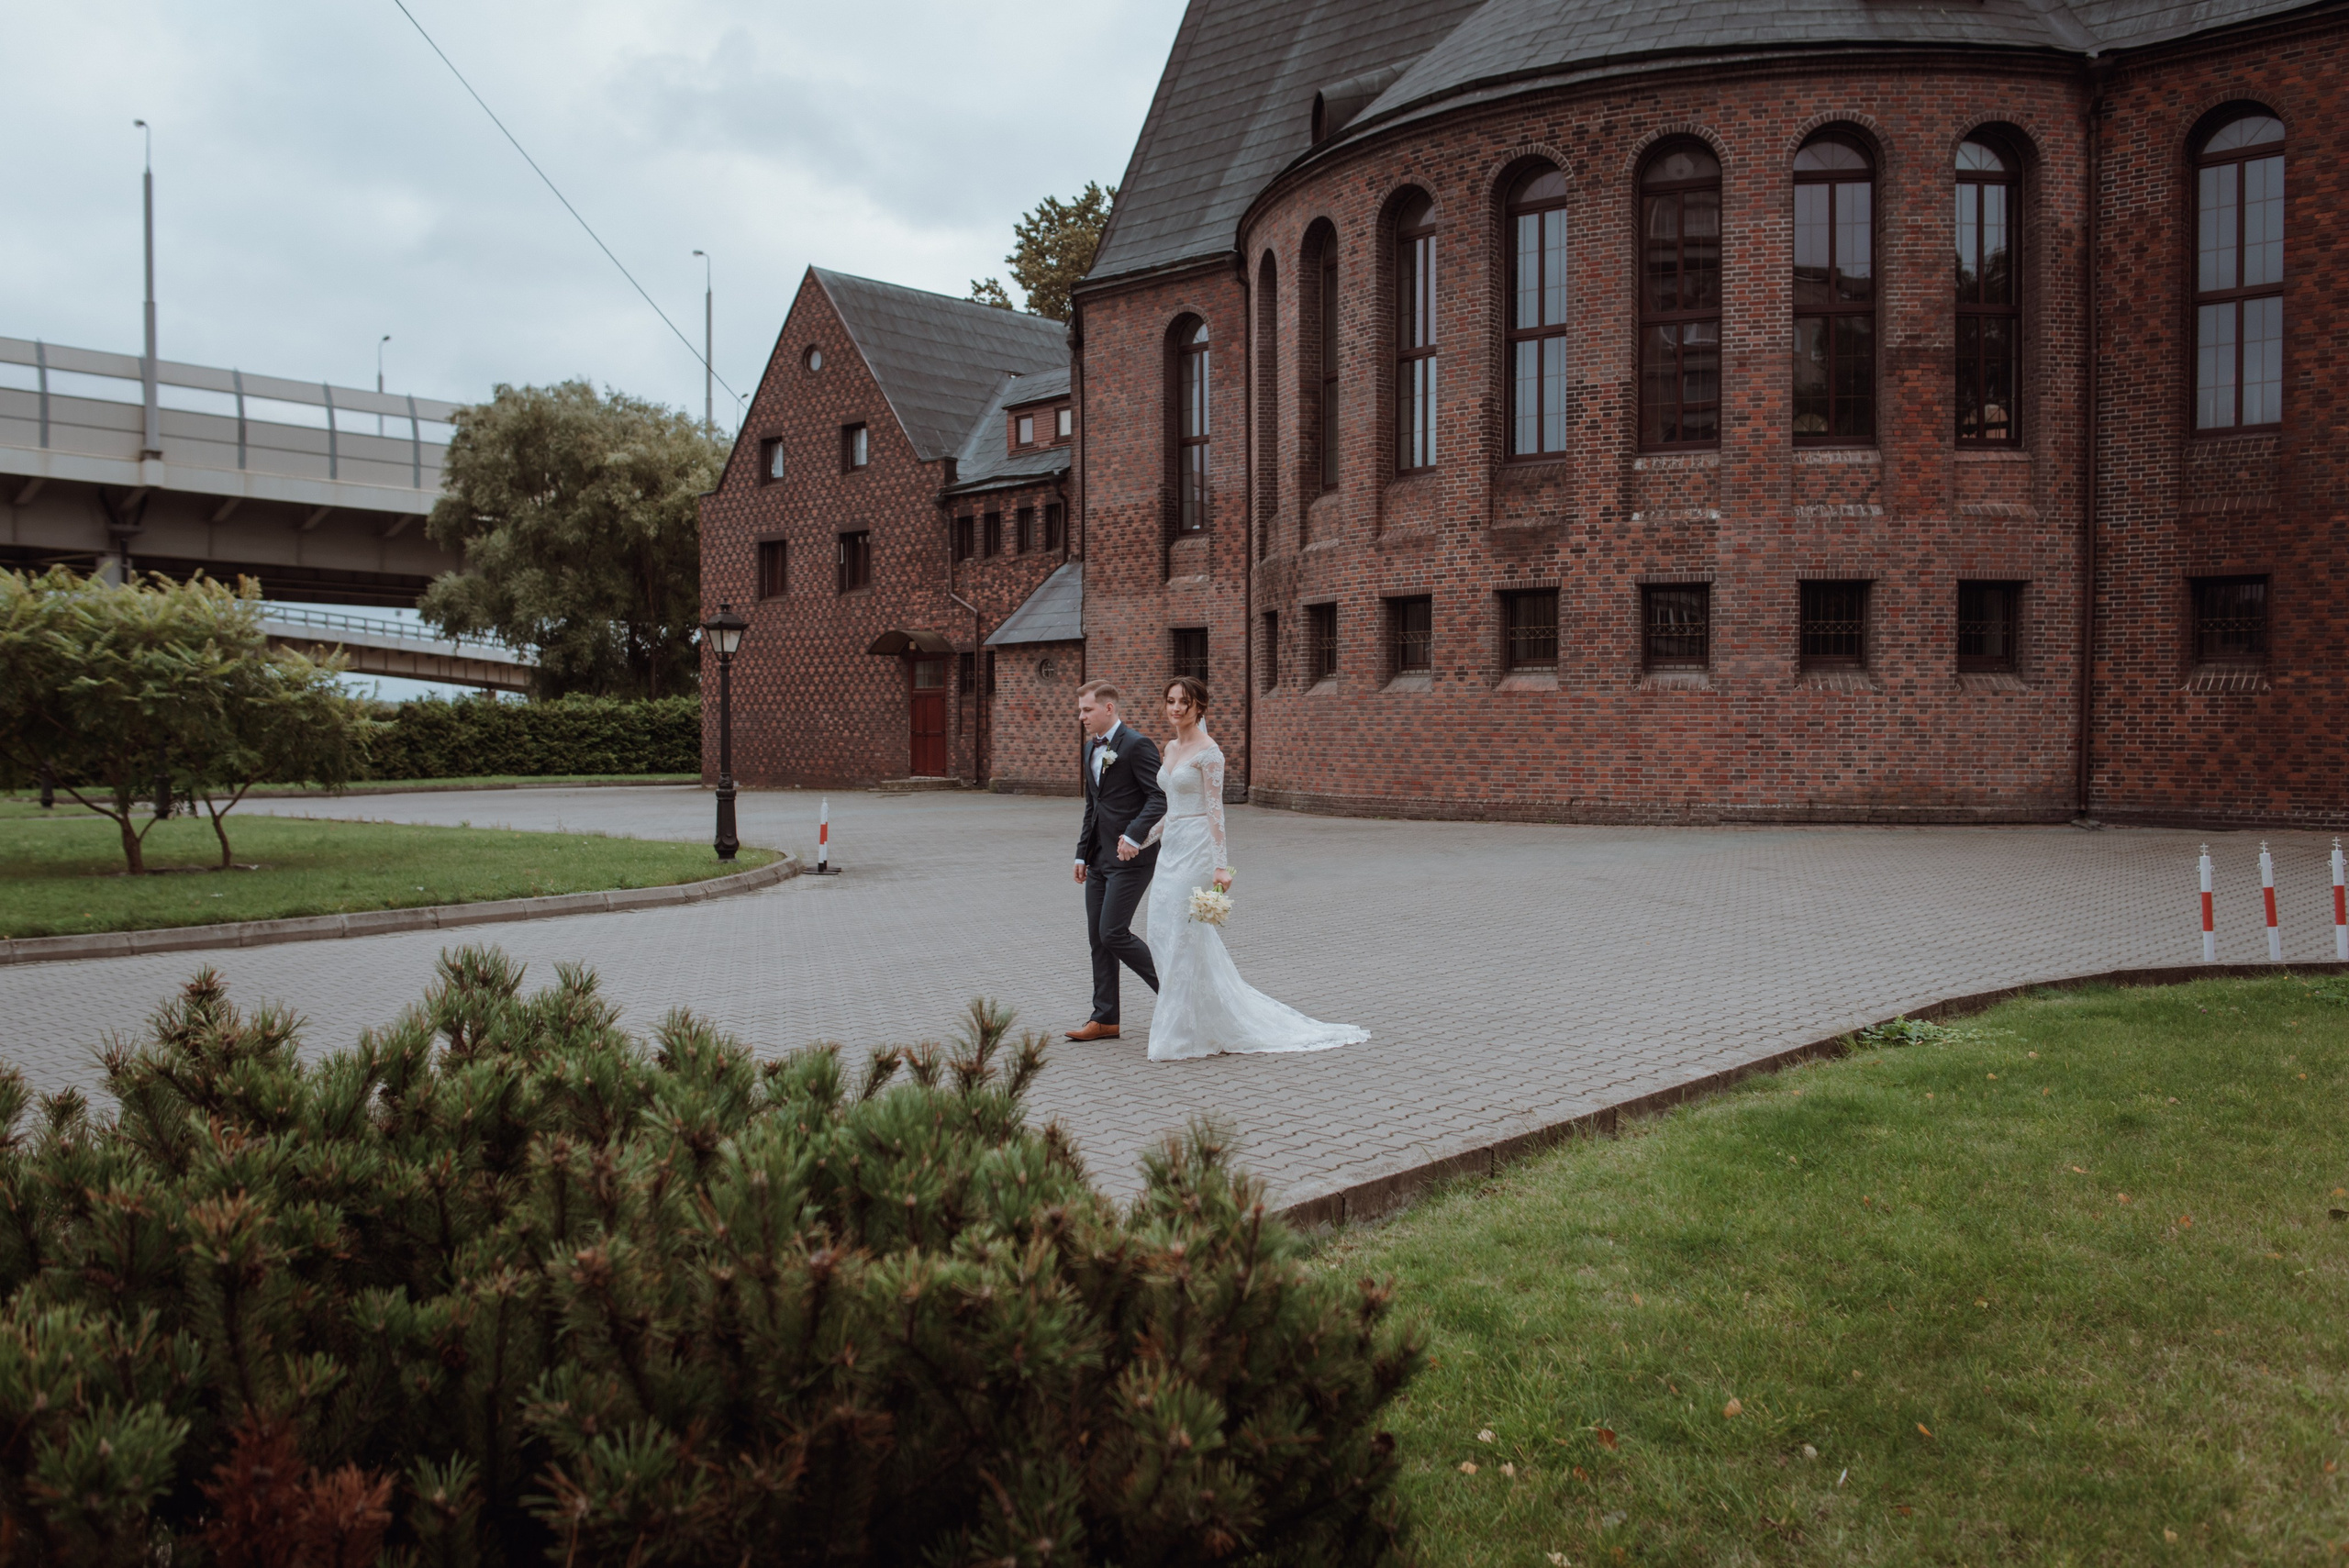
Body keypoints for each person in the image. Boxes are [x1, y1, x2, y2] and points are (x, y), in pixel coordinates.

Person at [1129, 676, 1367, 1061]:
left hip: (1197, 851)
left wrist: (1221, 867)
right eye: (1170, 701)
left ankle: (1180, 1033)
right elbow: (1171, 808)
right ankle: (1199, 1018)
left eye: (1184, 703)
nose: (1175, 709)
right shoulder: (1170, 748)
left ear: (1199, 708)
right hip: (1171, 849)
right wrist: (1141, 840)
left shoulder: (1210, 753)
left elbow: (1214, 810)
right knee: (1159, 932)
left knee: (1184, 937)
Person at [1067, 680, 1165, 1041]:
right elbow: (1093, 806)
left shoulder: (1137, 746)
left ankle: (1175, 995)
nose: (1081, 717)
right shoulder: (1088, 749)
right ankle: (1105, 1018)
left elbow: (1158, 798)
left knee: (1113, 932)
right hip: (1098, 858)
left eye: (1087, 710)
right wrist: (1082, 852)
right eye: (1080, 710)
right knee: (1098, 937)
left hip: (1132, 857)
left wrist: (1135, 835)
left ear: (1108, 709)